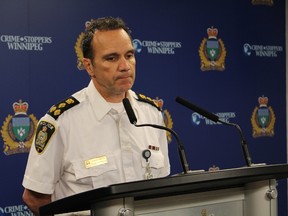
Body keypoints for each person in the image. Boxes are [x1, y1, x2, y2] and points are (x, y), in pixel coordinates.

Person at [22, 16, 170, 215]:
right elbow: (35, 198)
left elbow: (162, 190)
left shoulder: (152, 114)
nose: (125, 66)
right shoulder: (60, 122)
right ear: (89, 66)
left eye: (129, 55)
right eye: (112, 58)